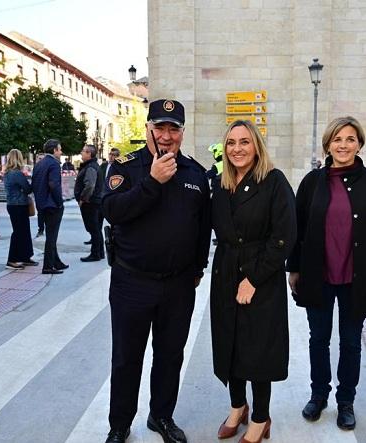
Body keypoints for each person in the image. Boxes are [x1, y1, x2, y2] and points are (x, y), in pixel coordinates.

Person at [102, 99, 211, 443]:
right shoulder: (127, 167)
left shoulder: (194, 172)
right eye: (159, 127)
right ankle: (119, 425)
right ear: (148, 129)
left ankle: (161, 416)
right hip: (131, 281)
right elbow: (112, 211)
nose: (166, 136)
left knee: (169, 357)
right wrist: (151, 181)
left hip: (178, 286)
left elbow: (202, 227)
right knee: (126, 358)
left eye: (173, 129)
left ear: (182, 132)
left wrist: (197, 268)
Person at [287, 116, 366, 431]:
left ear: (359, 143)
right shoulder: (312, 182)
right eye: (337, 139)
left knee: (350, 341)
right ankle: (318, 394)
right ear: (327, 145)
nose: (343, 145)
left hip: (356, 278)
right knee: (318, 339)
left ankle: (346, 400)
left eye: (349, 139)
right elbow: (298, 227)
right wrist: (294, 267)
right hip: (317, 275)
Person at [210, 120, 296, 443]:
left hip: (262, 275)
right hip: (225, 272)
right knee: (230, 343)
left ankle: (260, 417)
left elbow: (284, 236)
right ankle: (237, 407)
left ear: (256, 145)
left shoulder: (273, 182)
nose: (237, 149)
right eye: (231, 142)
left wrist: (253, 279)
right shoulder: (219, 184)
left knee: (258, 350)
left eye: (244, 142)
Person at [32, 139, 68, 274]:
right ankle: (48, 266)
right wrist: (59, 202)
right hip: (52, 205)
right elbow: (54, 185)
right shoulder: (53, 164)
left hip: (42, 204)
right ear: (54, 150)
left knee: (51, 234)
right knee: (52, 237)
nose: (61, 151)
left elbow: (35, 184)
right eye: (59, 149)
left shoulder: (39, 163)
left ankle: (56, 262)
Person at [3, 149, 39, 268]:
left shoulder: (7, 173)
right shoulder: (17, 173)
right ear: (19, 159)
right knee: (19, 232)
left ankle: (25, 257)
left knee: (23, 232)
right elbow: (28, 189)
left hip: (12, 205)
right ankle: (12, 259)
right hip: (19, 205)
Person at [75, 144, 103, 262]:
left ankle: (95, 253)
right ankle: (99, 252)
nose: (81, 153)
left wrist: (83, 199)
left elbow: (90, 185)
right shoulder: (91, 166)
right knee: (95, 228)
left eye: (83, 151)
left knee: (93, 228)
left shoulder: (91, 167)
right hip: (94, 202)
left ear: (89, 154)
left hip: (91, 203)